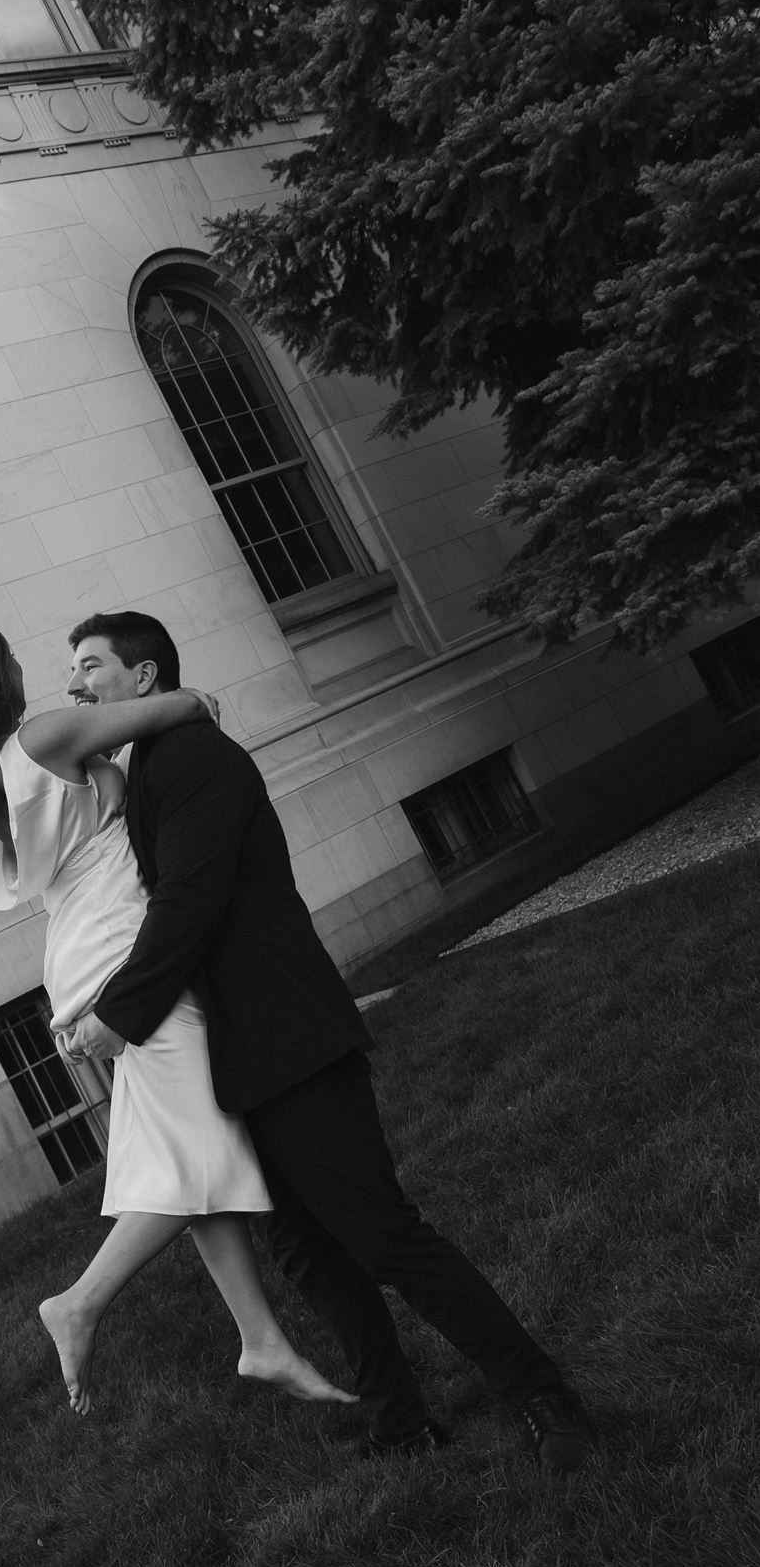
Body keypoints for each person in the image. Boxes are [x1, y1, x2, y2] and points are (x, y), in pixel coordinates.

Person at [63, 611, 598, 1473]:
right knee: (313, 1257)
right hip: (235, 1055)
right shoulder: (153, 766)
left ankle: (540, 1392)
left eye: (91, 667)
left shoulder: (193, 756)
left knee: (384, 1238)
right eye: (73, 673)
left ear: (145, 676)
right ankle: (402, 1423)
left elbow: (189, 902)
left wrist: (114, 1014)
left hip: (288, 1037)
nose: (77, 686)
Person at [0, 615, 357, 1418]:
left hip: (83, 956)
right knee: (198, 1152)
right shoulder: (41, 740)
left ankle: (261, 1342)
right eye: (9, 657)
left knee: (186, 1146)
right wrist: (144, 706)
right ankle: (80, 1302)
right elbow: (182, 705)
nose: (36, 673)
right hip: (123, 963)